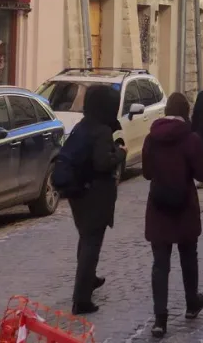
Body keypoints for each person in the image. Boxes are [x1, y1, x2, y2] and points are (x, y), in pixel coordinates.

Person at [143, 92, 203, 338]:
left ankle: (160, 319)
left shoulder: (151, 138)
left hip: (158, 207)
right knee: (188, 257)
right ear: (185, 113)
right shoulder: (191, 139)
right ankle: (192, 303)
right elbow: (202, 174)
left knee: (160, 265)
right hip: (185, 208)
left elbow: (147, 172)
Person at [65, 85, 126, 315]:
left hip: (78, 194)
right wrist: (120, 153)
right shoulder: (101, 130)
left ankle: (89, 279)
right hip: (94, 195)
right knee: (92, 244)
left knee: (85, 239)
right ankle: (81, 300)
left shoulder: (83, 125)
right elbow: (102, 162)